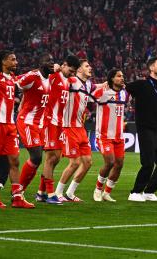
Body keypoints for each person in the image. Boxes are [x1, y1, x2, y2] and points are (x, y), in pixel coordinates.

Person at [0, 49, 34, 208]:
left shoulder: (12, 79)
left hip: (10, 125)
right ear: (4, 61)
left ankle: (17, 197)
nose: (16, 62)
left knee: (14, 160)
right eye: (13, 59)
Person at [126, 56, 157, 202]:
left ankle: (149, 191)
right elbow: (124, 87)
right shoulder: (142, 84)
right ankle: (135, 192)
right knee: (148, 163)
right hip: (145, 128)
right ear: (151, 68)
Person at [41, 55, 81, 204]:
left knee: (56, 158)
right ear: (64, 65)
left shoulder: (68, 80)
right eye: (70, 70)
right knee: (51, 158)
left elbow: (78, 83)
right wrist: (54, 67)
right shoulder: (53, 76)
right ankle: (50, 194)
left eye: (74, 71)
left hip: (59, 124)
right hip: (50, 121)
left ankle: (42, 192)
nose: (72, 73)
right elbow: (43, 72)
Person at [16, 53, 54, 201]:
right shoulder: (32, 76)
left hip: (40, 124)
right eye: (48, 61)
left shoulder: (50, 78)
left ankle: (22, 192)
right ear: (41, 63)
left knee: (40, 158)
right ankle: (18, 192)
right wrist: (17, 100)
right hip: (27, 121)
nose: (52, 63)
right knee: (36, 156)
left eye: (52, 61)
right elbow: (14, 84)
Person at [55, 59, 94, 202]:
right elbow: (60, 76)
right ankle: (58, 193)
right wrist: (57, 68)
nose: (90, 67)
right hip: (69, 127)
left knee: (88, 162)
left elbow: (97, 86)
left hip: (81, 129)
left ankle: (70, 193)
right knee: (75, 163)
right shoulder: (71, 80)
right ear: (79, 70)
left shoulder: (87, 85)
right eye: (87, 66)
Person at [92, 69, 129, 203]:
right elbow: (89, 95)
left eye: (123, 76)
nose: (122, 78)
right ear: (112, 79)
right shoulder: (103, 92)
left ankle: (107, 193)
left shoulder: (125, 94)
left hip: (119, 136)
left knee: (119, 164)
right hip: (104, 136)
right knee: (110, 162)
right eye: (119, 76)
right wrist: (101, 86)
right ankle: (97, 189)